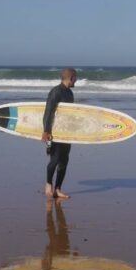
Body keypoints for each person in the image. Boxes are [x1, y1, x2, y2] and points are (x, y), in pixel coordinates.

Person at [42, 68, 77, 199]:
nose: (76, 81)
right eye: (76, 78)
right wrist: (46, 130)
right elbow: (49, 111)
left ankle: (58, 189)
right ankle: (48, 184)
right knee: (55, 160)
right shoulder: (56, 91)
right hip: (55, 132)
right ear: (72, 78)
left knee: (64, 161)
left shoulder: (70, 93)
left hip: (66, 132)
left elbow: (70, 114)